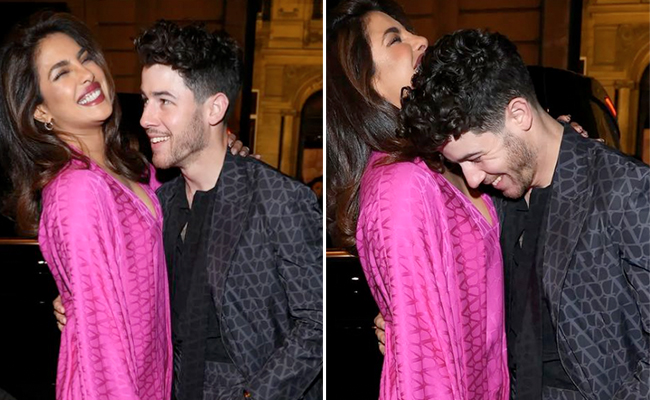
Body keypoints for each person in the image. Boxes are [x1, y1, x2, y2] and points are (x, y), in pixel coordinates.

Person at [399, 29, 649, 400]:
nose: (472, 178)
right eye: (459, 164)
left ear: (519, 114)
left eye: (476, 157)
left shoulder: (624, 188)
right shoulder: (494, 198)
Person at [327, 1, 509, 399]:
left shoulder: (446, 162)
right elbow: (425, 370)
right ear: (364, 84)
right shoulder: (400, 185)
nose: (422, 39)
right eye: (395, 39)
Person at [134, 21, 323, 400]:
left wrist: (254, 396)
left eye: (164, 101)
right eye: (145, 100)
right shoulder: (160, 204)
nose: (145, 119)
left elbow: (316, 324)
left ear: (214, 108)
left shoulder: (278, 198)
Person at [0, 13, 172, 400]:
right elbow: (102, 343)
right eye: (62, 73)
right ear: (40, 111)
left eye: (85, 58)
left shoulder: (134, 167)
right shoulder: (77, 190)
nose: (87, 74)